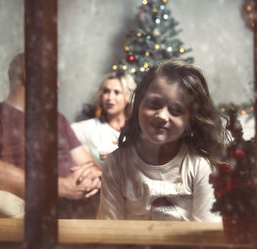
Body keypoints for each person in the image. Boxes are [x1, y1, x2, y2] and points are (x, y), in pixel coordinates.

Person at [0, 53, 102, 218]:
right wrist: (60, 187)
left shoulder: (58, 120)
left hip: (88, 211)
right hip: (44, 219)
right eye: (53, 77)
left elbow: (90, 164)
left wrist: (92, 176)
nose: (58, 85)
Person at [97, 60, 227, 222]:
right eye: (154, 104)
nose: (162, 116)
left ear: (189, 122)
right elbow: (108, 233)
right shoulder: (116, 164)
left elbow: (207, 236)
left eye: (176, 110)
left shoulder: (200, 166)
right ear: (138, 105)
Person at [71, 71, 136, 166]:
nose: (110, 97)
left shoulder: (139, 131)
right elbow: (62, 135)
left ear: (128, 97)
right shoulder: (88, 128)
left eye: (117, 92)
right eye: (106, 91)